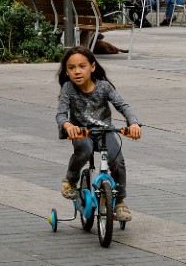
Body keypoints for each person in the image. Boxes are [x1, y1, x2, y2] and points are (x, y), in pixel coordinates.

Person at [56, 46, 141, 221]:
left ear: (92, 67)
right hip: (81, 132)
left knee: (117, 161)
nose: (77, 71)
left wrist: (133, 123)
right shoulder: (68, 88)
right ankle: (71, 180)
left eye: (82, 66)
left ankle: (120, 202)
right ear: (67, 71)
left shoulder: (104, 87)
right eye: (71, 68)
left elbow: (122, 106)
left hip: (105, 131)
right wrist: (67, 125)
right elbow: (61, 113)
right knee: (84, 151)